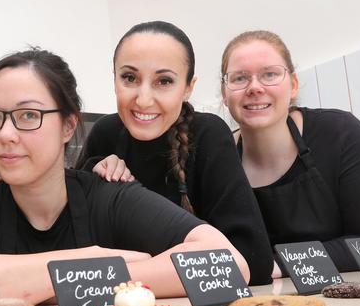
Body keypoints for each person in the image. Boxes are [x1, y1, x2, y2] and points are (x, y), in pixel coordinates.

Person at [0, 49, 249, 304]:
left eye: (29, 115)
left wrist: (81, 279)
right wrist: (93, 260)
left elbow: (229, 264)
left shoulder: (108, 197)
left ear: (68, 126)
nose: (6, 133)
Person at [76, 21, 273, 285]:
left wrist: (130, 271)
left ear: (188, 87)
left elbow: (254, 261)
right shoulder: (104, 134)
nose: (143, 98)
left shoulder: (208, 135)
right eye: (129, 78)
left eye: (164, 81)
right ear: (114, 79)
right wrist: (94, 175)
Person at [221, 30, 360, 272]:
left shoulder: (341, 134)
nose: (255, 87)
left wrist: (278, 265)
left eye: (269, 74)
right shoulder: (217, 159)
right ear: (224, 94)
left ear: (293, 85)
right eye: (240, 78)